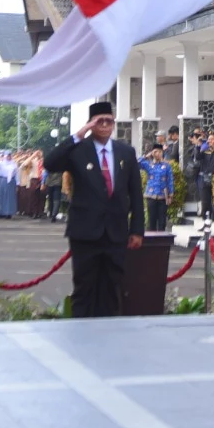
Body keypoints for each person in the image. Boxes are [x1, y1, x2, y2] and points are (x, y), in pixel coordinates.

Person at [44, 102, 144, 318]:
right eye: (100, 121)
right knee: (84, 288)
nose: (105, 126)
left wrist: (137, 230)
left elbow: (135, 193)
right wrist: (79, 134)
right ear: (91, 124)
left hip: (115, 232)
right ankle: (81, 335)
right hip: (85, 233)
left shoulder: (125, 152)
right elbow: (50, 163)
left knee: (111, 288)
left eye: (109, 121)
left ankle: (107, 337)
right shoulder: (79, 150)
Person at [142, 145, 174, 232]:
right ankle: (152, 242)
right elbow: (136, 163)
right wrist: (145, 156)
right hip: (151, 195)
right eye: (155, 152)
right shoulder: (148, 164)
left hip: (163, 196)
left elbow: (170, 180)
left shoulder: (166, 166)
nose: (158, 154)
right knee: (151, 220)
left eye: (160, 152)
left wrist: (170, 195)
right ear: (152, 153)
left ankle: (162, 242)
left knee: (162, 221)